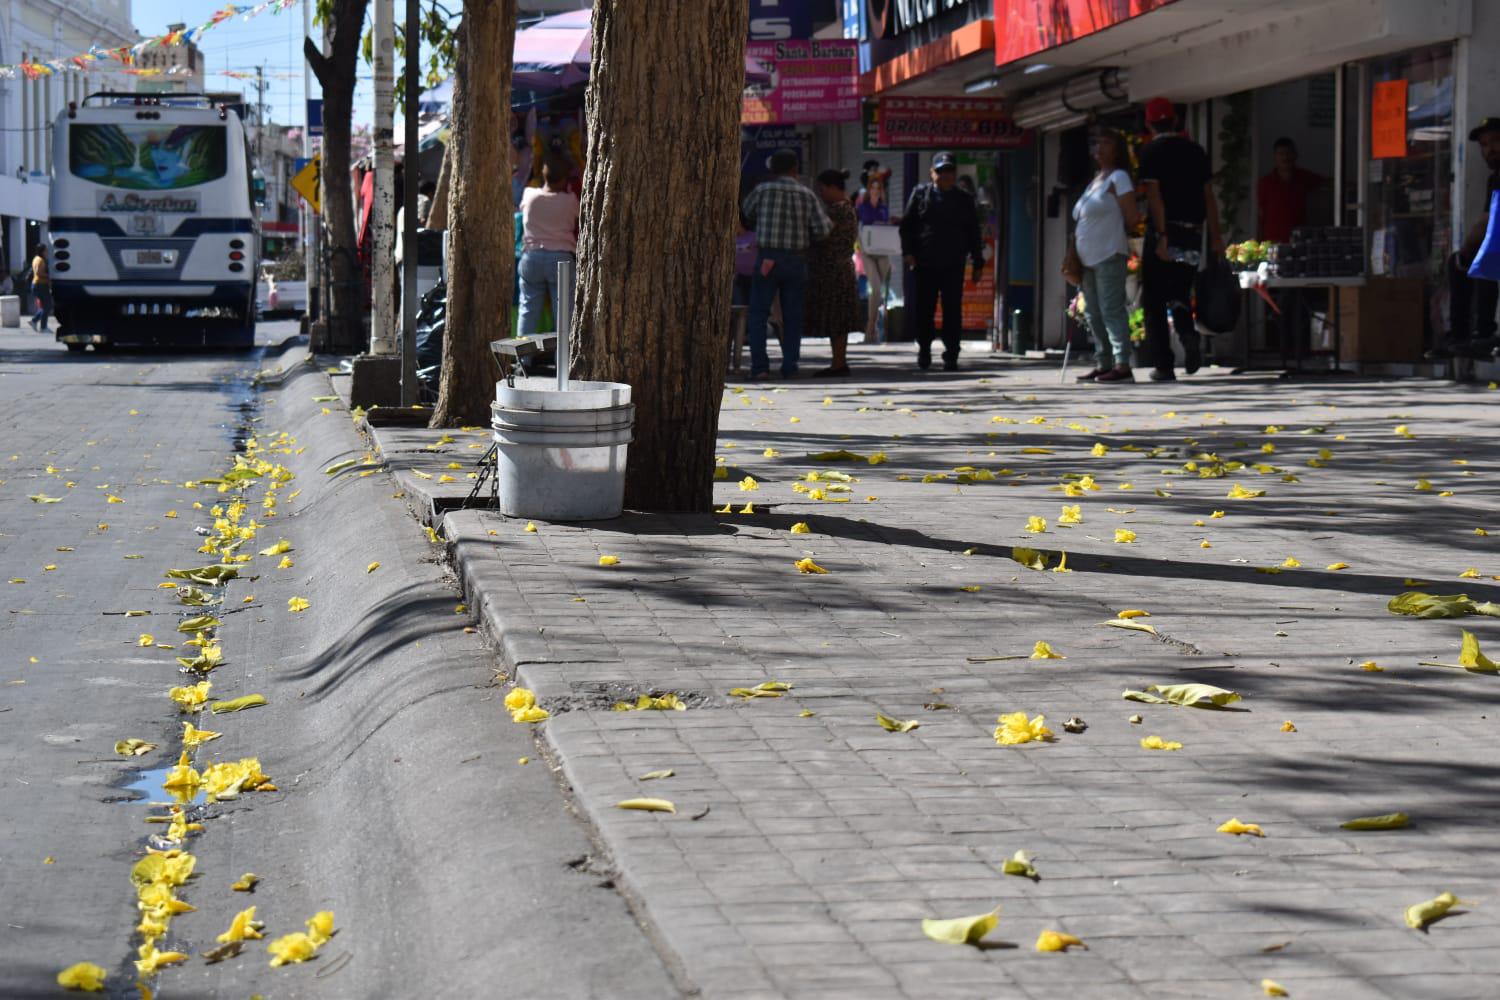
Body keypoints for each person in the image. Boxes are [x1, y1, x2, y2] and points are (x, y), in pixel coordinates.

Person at [1138, 98, 1222, 381]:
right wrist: (1215, 239)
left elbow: (1154, 197)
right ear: (1175, 120)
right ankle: (1188, 334)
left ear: (1149, 124)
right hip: (1192, 234)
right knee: (1180, 291)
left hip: (1166, 232)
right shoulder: (1196, 152)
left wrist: (1162, 236)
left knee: (1153, 299)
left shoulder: (1150, 152)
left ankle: (1164, 364)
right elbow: (1208, 197)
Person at [740, 149, 832, 380]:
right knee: (793, 315)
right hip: (796, 260)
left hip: (767, 259)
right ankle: (790, 365)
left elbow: (746, 214)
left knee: (759, 313)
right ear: (794, 169)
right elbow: (823, 229)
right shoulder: (807, 194)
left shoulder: (762, 190)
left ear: (773, 170)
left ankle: (759, 367)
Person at [899, 151, 984, 371]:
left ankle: (951, 354)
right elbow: (906, 226)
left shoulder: (964, 199)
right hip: (925, 263)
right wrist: (908, 252)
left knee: (952, 310)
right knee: (924, 309)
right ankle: (924, 349)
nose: (945, 175)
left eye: (949, 171)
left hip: (953, 264)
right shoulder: (920, 194)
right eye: (940, 171)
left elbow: (973, 232)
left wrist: (977, 262)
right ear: (932, 173)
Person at [1073, 128, 1141, 384]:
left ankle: (1122, 364)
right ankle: (1103, 362)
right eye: (1096, 143)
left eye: (1106, 143)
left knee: (1111, 309)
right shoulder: (1096, 179)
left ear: (1118, 149)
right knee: (1092, 312)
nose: (1099, 148)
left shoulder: (1119, 178)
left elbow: (1132, 217)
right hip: (1087, 258)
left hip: (1109, 253)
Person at [1438, 117, 1500, 358]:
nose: (1490, 149)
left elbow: (1488, 222)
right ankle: (1462, 336)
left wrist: (1466, 248)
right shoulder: (1494, 178)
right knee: (1467, 260)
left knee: (1478, 258)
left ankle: (1481, 332)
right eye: (1484, 145)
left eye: (1495, 141)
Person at [806, 169, 860, 377]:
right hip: (840, 268)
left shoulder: (837, 210)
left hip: (835, 271)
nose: (821, 194)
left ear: (832, 187)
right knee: (837, 318)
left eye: (822, 189)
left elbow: (822, 233)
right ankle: (838, 361)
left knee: (837, 318)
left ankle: (839, 363)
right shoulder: (847, 207)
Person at [517, 158, 579, 337]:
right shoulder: (570, 201)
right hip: (561, 259)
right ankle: (563, 361)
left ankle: (522, 360)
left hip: (531, 258)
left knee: (527, 310)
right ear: (564, 179)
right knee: (564, 314)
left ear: (544, 176)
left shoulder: (529, 194)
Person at [1257, 137, 1322, 244]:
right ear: (1275, 157)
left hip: (1298, 240)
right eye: (1281, 154)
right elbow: (1261, 214)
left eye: (1288, 153)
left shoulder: (1304, 177)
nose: (1285, 157)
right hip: (1272, 241)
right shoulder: (1265, 183)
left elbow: (1330, 184)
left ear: (1295, 155)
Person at [856, 174, 892, 342]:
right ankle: (871, 326)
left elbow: (886, 228)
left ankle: (875, 326)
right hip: (868, 252)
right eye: (873, 188)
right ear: (869, 190)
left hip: (882, 251)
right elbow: (858, 229)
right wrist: (861, 248)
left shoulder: (884, 208)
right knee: (875, 287)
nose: (876, 191)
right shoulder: (862, 207)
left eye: (879, 188)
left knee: (881, 290)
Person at [28, 245, 50, 332]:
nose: (47, 252)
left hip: (38, 285)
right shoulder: (40, 260)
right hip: (40, 285)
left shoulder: (36, 259)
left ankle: (34, 321)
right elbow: (38, 272)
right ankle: (43, 327)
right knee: (47, 306)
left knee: (46, 306)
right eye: (46, 251)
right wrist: (49, 276)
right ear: (42, 251)